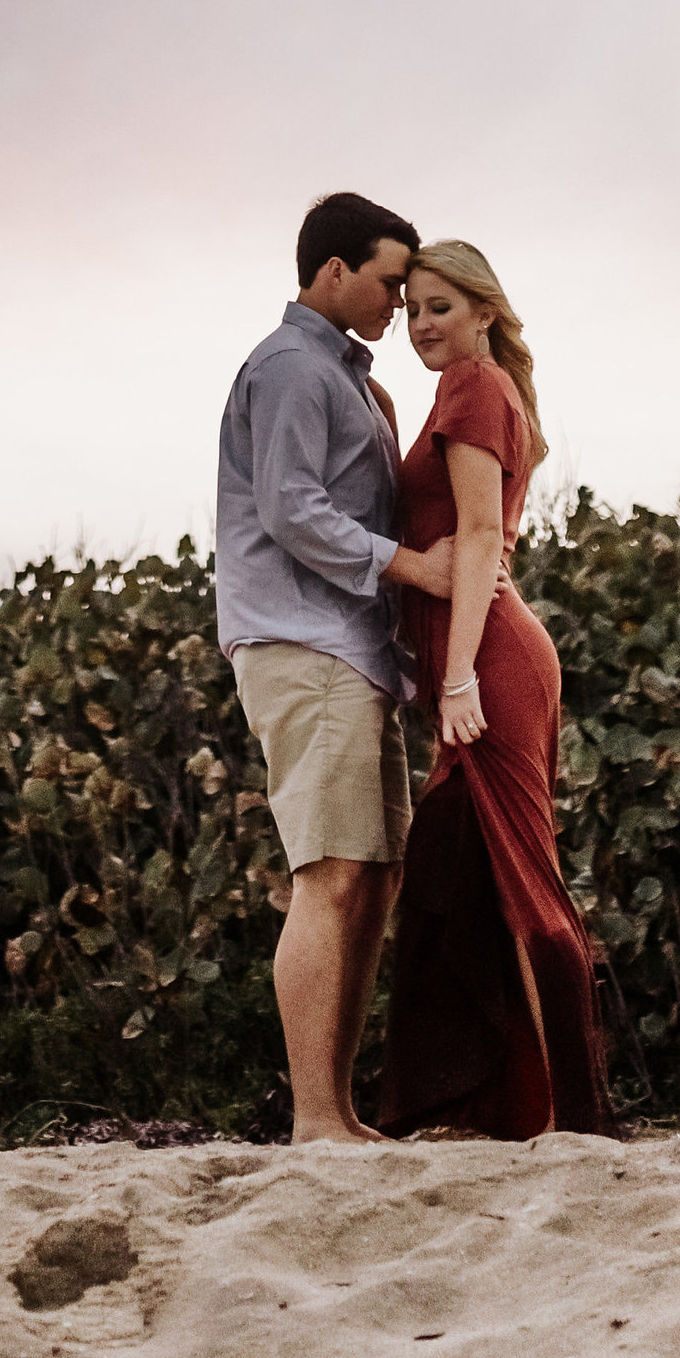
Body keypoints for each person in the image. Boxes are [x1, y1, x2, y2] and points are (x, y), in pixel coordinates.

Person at [215, 190, 461, 1143]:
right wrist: (415, 567)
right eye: (391, 283)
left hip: (352, 651)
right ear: (332, 272)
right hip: (303, 642)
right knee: (330, 872)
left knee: (374, 874)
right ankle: (317, 1120)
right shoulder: (289, 369)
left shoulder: (351, 380)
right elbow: (291, 509)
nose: (400, 304)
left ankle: (340, 1112)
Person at [379, 235, 614, 1139]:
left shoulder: (476, 386)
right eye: (411, 310)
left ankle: (578, 1116)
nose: (422, 324)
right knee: (456, 867)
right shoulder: (467, 388)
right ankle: (493, 1105)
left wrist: (456, 676)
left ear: (483, 310)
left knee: (525, 881)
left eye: (440, 306)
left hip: (491, 662)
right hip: (479, 655)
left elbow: (480, 539)